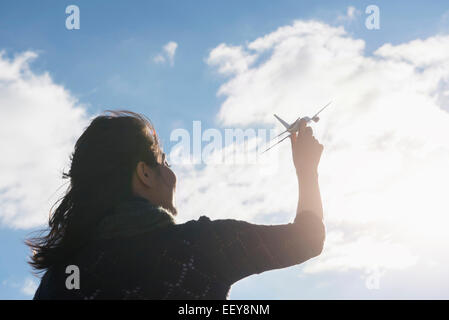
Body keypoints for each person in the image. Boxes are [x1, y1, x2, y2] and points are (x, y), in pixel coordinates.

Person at [28, 110, 325, 300]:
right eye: (163, 162)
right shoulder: (202, 246)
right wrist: (306, 169)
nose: (172, 175)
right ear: (144, 173)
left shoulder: (60, 278)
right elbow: (307, 239)